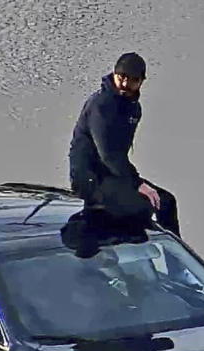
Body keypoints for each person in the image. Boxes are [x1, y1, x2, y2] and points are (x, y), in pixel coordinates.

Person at [69, 52, 180, 236]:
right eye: (122, 78)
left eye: (133, 80)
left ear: (142, 81)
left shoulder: (133, 109)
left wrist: (133, 182)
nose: (126, 84)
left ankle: (176, 259)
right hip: (90, 180)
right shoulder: (101, 105)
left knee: (166, 202)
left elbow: (119, 155)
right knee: (147, 206)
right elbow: (109, 155)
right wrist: (137, 183)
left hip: (112, 175)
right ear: (114, 74)